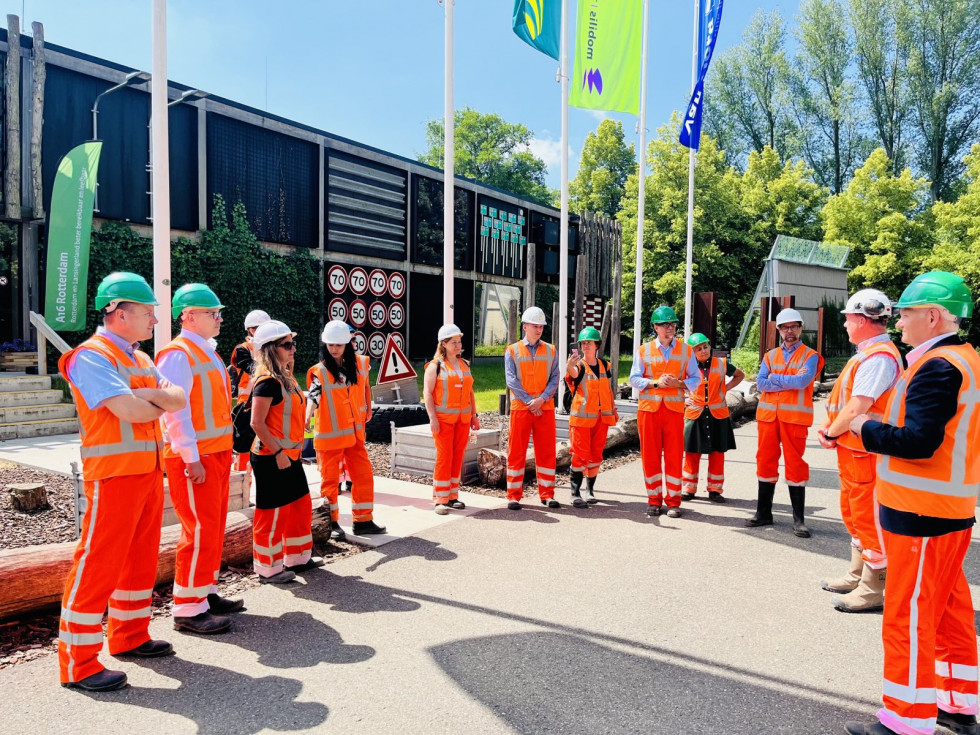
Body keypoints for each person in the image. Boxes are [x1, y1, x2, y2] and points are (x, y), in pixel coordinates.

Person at [844, 272, 980, 735]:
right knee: (948, 610)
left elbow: (918, 441)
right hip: (948, 510)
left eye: (905, 313)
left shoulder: (937, 367)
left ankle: (905, 719)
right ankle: (957, 705)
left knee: (909, 614)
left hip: (920, 512)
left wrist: (864, 427)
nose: (898, 322)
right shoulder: (965, 359)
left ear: (933, 315)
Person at [57, 272, 186, 692]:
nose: (154, 320)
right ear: (119, 312)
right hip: (112, 478)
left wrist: (145, 396)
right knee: (98, 566)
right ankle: (78, 663)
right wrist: (152, 399)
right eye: (148, 312)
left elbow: (177, 398)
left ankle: (129, 636)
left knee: (139, 561)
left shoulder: (141, 359)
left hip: (146, 474)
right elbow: (133, 412)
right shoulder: (90, 356)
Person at [156, 283, 242, 637]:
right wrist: (191, 459)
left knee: (213, 527)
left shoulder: (202, 351)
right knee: (199, 529)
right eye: (212, 313)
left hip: (213, 454)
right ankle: (188, 609)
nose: (219, 318)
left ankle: (204, 594)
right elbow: (175, 414)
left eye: (218, 312)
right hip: (195, 458)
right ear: (188, 316)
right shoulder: (177, 355)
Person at [817, 289, 902, 614]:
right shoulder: (869, 353)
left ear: (862, 320)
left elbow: (857, 407)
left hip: (866, 454)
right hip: (854, 452)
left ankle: (873, 587)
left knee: (869, 519)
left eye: (849, 319)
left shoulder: (879, 357)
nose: (847, 325)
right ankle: (857, 574)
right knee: (854, 515)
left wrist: (830, 431)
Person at [249, 320, 323, 584]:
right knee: (272, 512)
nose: (293, 348)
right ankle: (268, 569)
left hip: (288, 455)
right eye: (287, 344)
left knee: (299, 505)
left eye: (293, 343)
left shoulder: (285, 376)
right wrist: (279, 450)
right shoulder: (268, 382)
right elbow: (256, 423)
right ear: (271, 349)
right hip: (271, 456)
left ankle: (298, 558)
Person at [746, 307, 824, 537]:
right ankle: (763, 513)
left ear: (800, 328)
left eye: (794, 327)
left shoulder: (811, 355)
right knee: (765, 461)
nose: (790, 331)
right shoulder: (770, 355)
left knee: (795, 464)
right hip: (769, 418)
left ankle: (799, 520)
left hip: (794, 419)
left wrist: (775, 378)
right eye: (785, 327)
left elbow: (803, 381)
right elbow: (761, 383)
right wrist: (783, 380)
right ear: (779, 330)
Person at [305, 320, 386, 537]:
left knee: (363, 475)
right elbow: (314, 395)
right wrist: (307, 416)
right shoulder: (320, 372)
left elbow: (364, 387)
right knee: (329, 482)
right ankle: (330, 524)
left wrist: (368, 406)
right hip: (330, 438)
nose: (334, 349)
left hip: (354, 435)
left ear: (347, 344)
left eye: (338, 345)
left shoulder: (360, 364)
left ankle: (363, 520)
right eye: (330, 345)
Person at [629, 306, 700, 519]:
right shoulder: (644, 350)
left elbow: (696, 379)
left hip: (674, 411)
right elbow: (634, 378)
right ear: (655, 327)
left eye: (672, 324)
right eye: (664, 324)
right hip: (649, 411)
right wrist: (655, 383)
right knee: (650, 456)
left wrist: (680, 383)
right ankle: (653, 501)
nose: (669, 328)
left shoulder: (687, 351)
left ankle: (674, 502)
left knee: (674, 456)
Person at [504, 306, 560, 510]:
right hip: (522, 408)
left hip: (543, 408)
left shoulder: (551, 350)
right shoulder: (512, 350)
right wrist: (531, 401)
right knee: (516, 451)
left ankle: (547, 495)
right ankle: (514, 496)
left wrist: (542, 400)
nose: (539, 330)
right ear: (525, 326)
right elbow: (511, 380)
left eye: (541, 326)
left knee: (546, 451)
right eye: (535, 326)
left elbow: (555, 378)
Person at [424, 324, 480, 515]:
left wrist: (474, 415)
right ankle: (440, 499)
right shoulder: (435, 366)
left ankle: (452, 496)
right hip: (443, 420)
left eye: (459, 342)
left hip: (463, 420)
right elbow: (428, 394)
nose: (458, 345)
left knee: (457, 457)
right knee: (444, 457)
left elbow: (470, 392)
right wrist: (432, 418)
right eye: (454, 342)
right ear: (444, 344)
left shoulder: (464, 364)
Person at [681, 332, 744, 503]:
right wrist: (684, 398)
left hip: (718, 415)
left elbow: (740, 375)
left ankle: (715, 489)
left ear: (710, 347)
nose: (703, 351)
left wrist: (726, 389)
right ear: (692, 352)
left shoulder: (722, 363)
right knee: (692, 452)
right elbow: (677, 385)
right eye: (698, 349)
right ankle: (688, 488)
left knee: (717, 452)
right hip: (695, 414)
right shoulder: (686, 367)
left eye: (705, 347)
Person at [564, 326, 618, 507]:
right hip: (581, 420)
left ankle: (590, 491)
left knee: (596, 455)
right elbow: (572, 374)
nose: (586, 346)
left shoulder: (605, 366)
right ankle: (575, 493)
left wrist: (614, 409)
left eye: (589, 342)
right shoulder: (579, 366)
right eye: (583, 343)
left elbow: (608, 391)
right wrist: (569, 366)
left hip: (601, 420)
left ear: (597, 345)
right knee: (579, 455)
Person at [230, 309, 270, 471]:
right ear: (251, 330)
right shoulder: (243, 349)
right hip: (246, 406)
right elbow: (252, 367)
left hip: (267, 403)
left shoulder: (272, 348)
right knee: (244, 448)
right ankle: (242, 488)